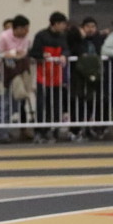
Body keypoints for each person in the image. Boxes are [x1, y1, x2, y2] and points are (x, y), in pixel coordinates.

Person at [29, 12, 70, 143]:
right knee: (42, 105)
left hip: (57, 77)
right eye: (62, 24)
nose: (64, 26)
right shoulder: (41, 36)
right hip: (42, 76)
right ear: (56, 24)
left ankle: (54, 131)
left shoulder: (63, 36)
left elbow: (67, 49)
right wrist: (42, 55)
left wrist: (64, 55)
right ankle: (40, 131)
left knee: (57, 105)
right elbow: (33, 52)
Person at [0, 14, 32, 143]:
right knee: (3, 102)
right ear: (18, 28)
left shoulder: (25, 38)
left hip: (17, 73)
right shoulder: (4, 36)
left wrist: (13, 54)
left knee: (17, 101)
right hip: (2, 73)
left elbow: (24, 52)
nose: (27, 31)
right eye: (25, 29)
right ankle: (2, 133)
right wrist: (13, 53)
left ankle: (5, 128)